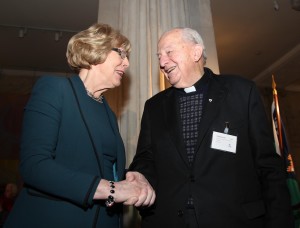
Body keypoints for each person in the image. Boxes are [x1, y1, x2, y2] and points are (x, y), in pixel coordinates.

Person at [129, 27, 294, 227]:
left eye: (169, 52)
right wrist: (139, 177)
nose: (162, 63)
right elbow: (145, 158)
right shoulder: (154, 107)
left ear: (196, 52)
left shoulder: (241, 92)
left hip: (234, 220)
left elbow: (268, 166)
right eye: (159, 56)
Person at [4, 23, 155, 228]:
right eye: (121, 53)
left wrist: (129, 176)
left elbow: (96, 166)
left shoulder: (108, 112)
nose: (126, 63)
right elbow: (34, 166)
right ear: (95, 49)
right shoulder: (55, 90)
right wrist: (112, 189)